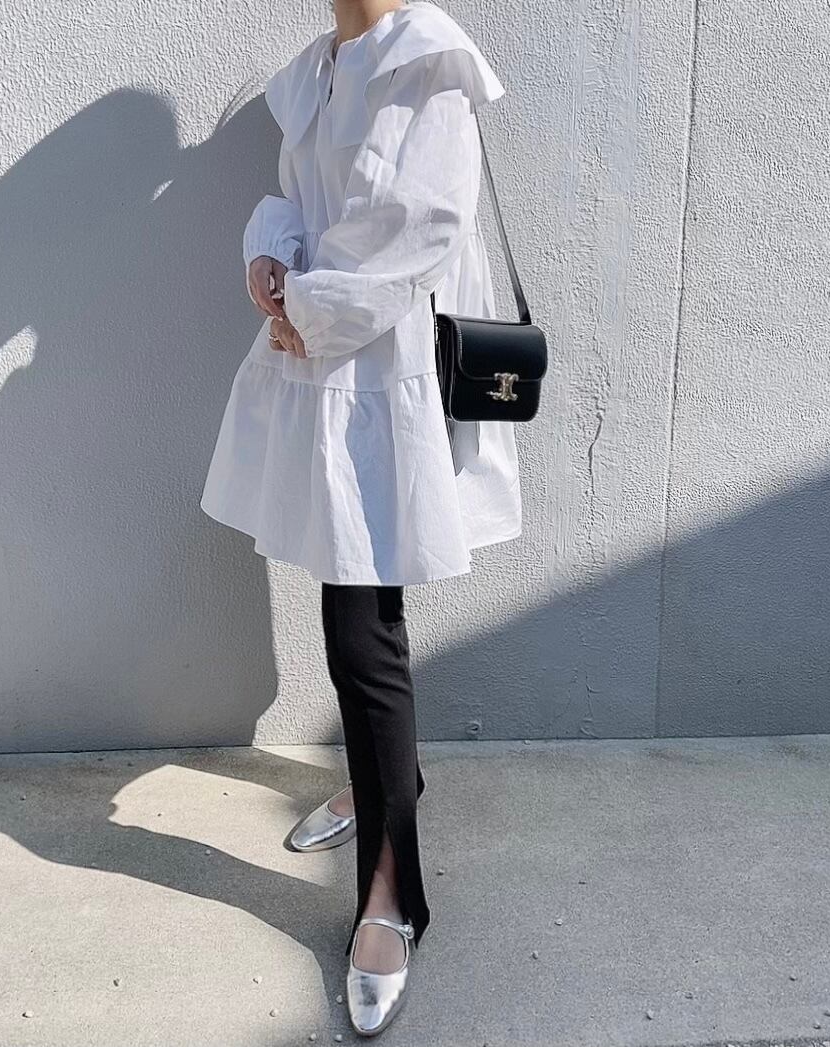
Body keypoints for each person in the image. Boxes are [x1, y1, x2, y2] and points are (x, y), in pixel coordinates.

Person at [200, 0, 521, 1035]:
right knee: (352, 602)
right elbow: (297, 197)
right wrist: (272, 254)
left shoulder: (430, 62)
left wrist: (311, 307)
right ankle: (391, 779)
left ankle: (392, 893)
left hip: (383, 379)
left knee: (360, 629)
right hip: (321, 367)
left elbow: (425, 228)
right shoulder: (319, 67)